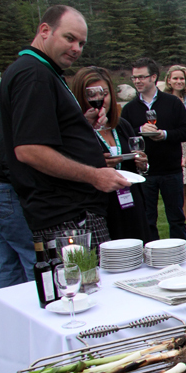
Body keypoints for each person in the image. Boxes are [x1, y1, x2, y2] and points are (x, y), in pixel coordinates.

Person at [0, 5, 129, 251]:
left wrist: (79, 127)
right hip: (68, 216)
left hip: (69, 212)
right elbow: (29, 150)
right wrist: (95, 175)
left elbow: (43, 132)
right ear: (45, 30)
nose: (76, 49)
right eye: (69, 38)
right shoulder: (33, 74)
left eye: (82, 43)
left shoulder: (40, 71)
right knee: (82, 287)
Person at [71, 66, 152, 243]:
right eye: (90, 95)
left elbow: (138, 163)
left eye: (104, 93)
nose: (99, 100)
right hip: (101, 208)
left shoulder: (122, 125)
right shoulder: (77, 131)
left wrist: (142, 164)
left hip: (131, 202)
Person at [121, 57, 186, 243]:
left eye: (142, 77)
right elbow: (122, 137)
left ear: (153, 77)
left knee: (176, 218)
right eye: (134, 78)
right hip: (144, 172)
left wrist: (165, 134)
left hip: (171, 169)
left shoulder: (172, 103)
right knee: (147, 218)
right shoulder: (129, 109)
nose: (137, 81)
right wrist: (139, 132)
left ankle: (182, 252)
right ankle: (151, 253)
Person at [0, 61, 36, 288]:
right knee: (31, 254)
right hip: (4, 190)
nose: (1, 82)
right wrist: (24, 186)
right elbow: (5, 152)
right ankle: (38, 306)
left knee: (3, 259)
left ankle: (8, 315)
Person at [163, 65, 186, 239]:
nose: (178, 81)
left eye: (182, 78)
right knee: (184, 188)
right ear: (169, 80)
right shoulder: (165, 101)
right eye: (175, 78)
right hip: (178, 145)